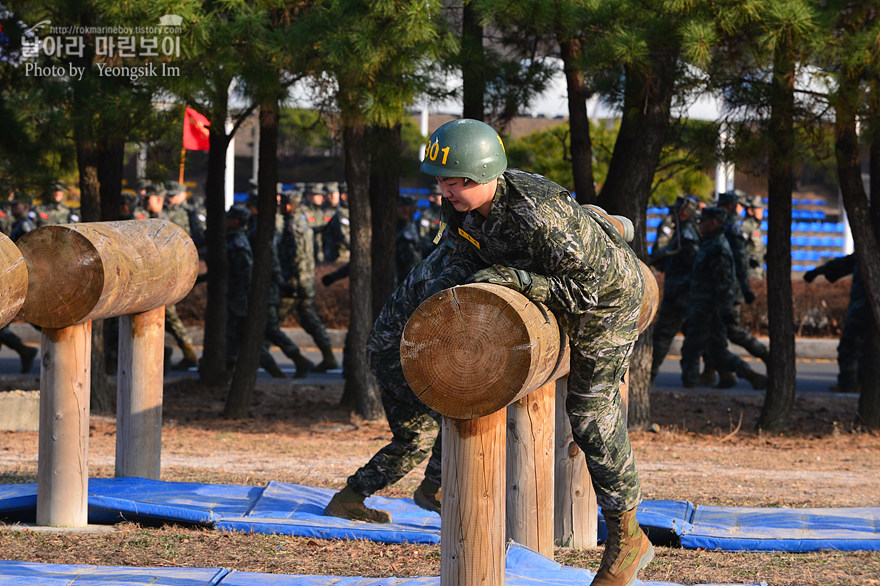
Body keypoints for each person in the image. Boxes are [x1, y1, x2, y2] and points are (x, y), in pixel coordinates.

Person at [326, 119, 652, 586]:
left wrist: (513, 280)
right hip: (539, 267)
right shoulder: (463, 207)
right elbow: (459, 256)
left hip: (605, 295)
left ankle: (628, 537)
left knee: (589, 411)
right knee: (425, 308)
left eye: (453, 182)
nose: (444, 191)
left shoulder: (537, 214)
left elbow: (582, 292)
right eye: (440, 181)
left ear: (481, 175)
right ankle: (603, 221)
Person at [680, 207, 767, 391]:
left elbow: (724, 281)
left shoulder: (718, 247)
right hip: (703, 305)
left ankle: (690, 385)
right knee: (715, 349)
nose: (700, 225)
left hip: (708, 308)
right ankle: (747, 376)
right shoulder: (710, 244)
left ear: (712, 223)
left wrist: (725, 309)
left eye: (703, 221)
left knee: (692, 347)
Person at [712, 190, 769, 387]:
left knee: (728, 332)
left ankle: (762, 359)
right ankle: (722, 375)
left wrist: (744, 289)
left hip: (728, 291)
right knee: (714, 336)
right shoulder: (730, 227)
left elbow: (740, 261)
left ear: (727, 207)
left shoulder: (732, 229)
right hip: (720, 290)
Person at [277, 188, 338, 372]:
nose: (279, 207)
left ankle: (296, 360)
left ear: (288, 206)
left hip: (294, 283)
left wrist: (283, 277)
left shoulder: (293, 226)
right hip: (303, 281)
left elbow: (296, 257)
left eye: (281, 204)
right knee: (310, 320)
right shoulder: (299, 223)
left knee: (270, 323)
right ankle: (329, 357)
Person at [649, 195, 700, 384]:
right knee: (692, 338)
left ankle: (650, 375)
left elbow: (695, 265)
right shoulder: (683, 231)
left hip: (679, 295)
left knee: (662, 337)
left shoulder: (687, 234)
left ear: (684, 212)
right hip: (681, 294)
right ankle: (692, 377)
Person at [804, 254, 865, 393]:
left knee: (850, 347)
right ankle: (859, 384)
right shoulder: (866, 252)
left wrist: (819, 271)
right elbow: (844, 264)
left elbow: (845, 263)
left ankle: (849, 384)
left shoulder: (868, 252)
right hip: (862, 308)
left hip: (862, 309)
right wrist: (820, 271)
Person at [741, 195, 766, 280]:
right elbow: (739, 247)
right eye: (758, 208)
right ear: (750, 211)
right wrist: (749, 259)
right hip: (750, 272)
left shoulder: (756, 226)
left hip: (759, 271)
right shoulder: (746, 226)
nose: (762, 211)